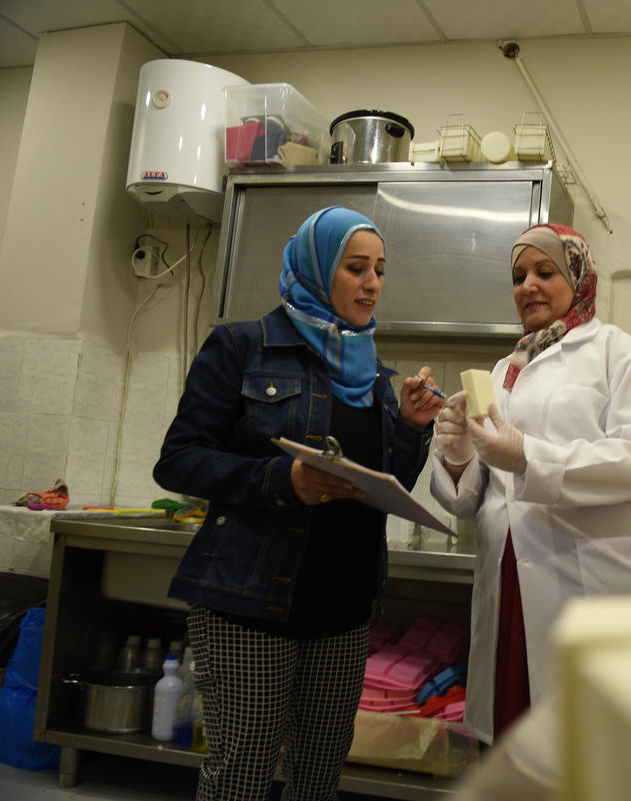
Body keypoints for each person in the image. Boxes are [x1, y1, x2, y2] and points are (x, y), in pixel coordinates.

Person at [153, 206, 443, 801]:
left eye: (380, 270)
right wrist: (283, 480)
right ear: (315, 270)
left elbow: (386, 486)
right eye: (356, 268)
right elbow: (178, 459)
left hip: (344, 608)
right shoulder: (243, 345)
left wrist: (413, 427)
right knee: (242, 774)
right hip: (252, 605)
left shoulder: (372, 376)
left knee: (318, 778)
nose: (372, 284)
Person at [430, 223, 631, 744]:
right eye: (518, 276)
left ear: (580, 278)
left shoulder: (618, 354)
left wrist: (529, 456)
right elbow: (481, 496)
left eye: (546, 272)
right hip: (510, 582)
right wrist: (458, 461)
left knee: (582, 754)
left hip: (586, 579)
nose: (528, 287)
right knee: (511, 742)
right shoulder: (505, 370)